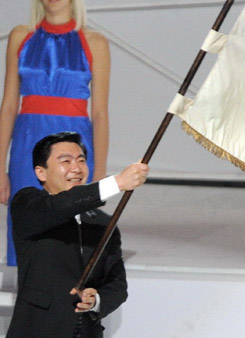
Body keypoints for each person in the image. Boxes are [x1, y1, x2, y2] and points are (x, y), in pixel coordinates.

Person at [6, 132, 149, 338]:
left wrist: (96, 300)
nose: (76, 168)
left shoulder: (102, 222)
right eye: (66, 161)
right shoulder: (28, 204)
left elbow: (116, 284)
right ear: (41, 173)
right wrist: (116, 182)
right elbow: (60, 206)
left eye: (81, 160)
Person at [0, 0, 110, 266]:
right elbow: (9, 106)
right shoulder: (20, 36)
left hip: (74, 145)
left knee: (71, 232)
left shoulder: (95, 42)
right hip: (27, 146)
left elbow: (99, 113)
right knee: (29, 222)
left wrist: (99, 175)